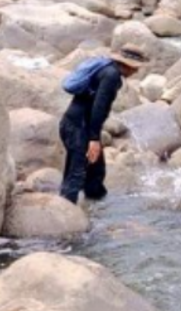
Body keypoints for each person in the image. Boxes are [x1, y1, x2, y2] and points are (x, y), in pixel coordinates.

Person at [59, 44, 149, 205]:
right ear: (128, 65)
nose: (136, 71)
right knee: (76, 173)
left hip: (78, 125)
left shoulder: (106, 69)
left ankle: (97, 210)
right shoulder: (111, 75)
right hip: (77, 127)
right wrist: (93, 139)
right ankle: (65, 215)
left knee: (95, 171)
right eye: (136, 68)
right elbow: (99, 108)